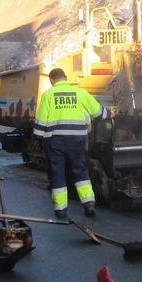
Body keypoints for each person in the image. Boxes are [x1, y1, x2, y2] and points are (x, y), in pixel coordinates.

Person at [33, 68, 109, 220]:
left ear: (51, 80)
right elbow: (98, 112)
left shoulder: (48, 95)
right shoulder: (79, 92)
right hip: (77, 140)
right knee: (80, 170)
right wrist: (109, 114)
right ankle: (88, 203)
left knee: (57, 173)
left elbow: (41, 121)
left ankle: (61, 210)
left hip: (56, 141)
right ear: (66, 78)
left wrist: (38, 139)